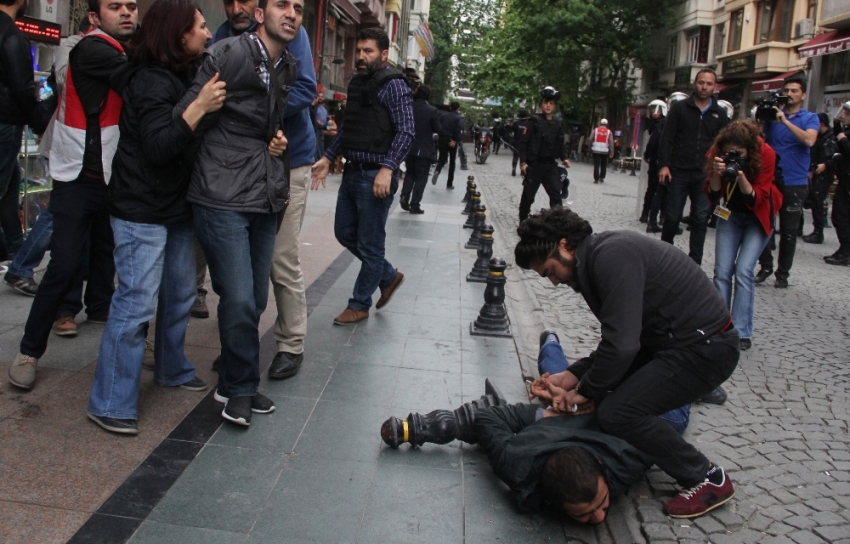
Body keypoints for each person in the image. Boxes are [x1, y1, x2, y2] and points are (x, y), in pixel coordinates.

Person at [516, 208, 739, 519]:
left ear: (565, 245)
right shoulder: (600, 257)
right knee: (614, 406)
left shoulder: (611, 256)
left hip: (706, 349)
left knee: (618, 412)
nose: (554, 281)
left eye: (551, 271)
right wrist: (573, 376)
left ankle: (706, 477)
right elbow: (621, 342)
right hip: (678, 345)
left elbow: (623, 347)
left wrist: (587, 391)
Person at [86, 0, 225, 435]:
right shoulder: (149, 79)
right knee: (136, 303)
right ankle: (109, 401)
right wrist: (199, 107)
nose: (207, 34)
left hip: (176, 207)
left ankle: (171, 367)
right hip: (140, 208)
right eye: (201, 27)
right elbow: (159, 147)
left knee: (182, 292)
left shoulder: (188, 73)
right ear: (179, 34)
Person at [175, 0, 300, 427]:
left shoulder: (288, 67)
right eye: (283, 4)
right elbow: (186, 117)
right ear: (261, 14)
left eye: (299, 7)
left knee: (256, 299)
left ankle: (232, 381)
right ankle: (241, 389)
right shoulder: (229, 53)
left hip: (263, 194)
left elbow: (268, 122)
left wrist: (276, 143)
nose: (293, 13)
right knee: (241, 298)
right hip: (221, 194)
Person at [8, 0, 138, 391]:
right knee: (64, 264)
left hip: (115, 177)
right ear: (96, 18)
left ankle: (102, 313)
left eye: (132, 5)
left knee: (116, 259)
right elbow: (137, 80)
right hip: (77, 177)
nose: (128, 12)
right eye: (116, 7)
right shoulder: (91, 49)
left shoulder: (126, 53)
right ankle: (29, 350)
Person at [310, 28, 414, 326]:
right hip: (353, 172)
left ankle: (359, 304)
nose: (360, 56)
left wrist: (388, 168)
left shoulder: (394, 85)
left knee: (370, 244)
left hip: (376, 176)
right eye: (358, 51)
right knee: (344, 232)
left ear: (383, 54)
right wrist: (328, 157)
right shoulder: (357, 82)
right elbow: (349, 127)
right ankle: (388, 275)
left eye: (367, 51)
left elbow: (407, 131)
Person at [3, 17, 90, 298]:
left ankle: (20, 257)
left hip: (76, 142)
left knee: (17, 191)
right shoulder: (72, 48)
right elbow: (45, 85)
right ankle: (22, 264)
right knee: (61, 208)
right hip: (70, 143)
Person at [267, 25, 317, 380]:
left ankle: (291, 343)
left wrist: (254, 103)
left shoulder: (291, 31)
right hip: (241, 160)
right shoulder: (224, 33)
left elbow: (304, 88)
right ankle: (237, 343)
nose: (235, 8)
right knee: (246, 258)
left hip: (291, 159)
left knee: (282, 256)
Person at [705, 121, 781, 352]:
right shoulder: (719, 152)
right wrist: (717, 173)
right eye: (730, 151)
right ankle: (720, 326)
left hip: (758, 216)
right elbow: (712, 194)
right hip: (730, 213)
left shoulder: (766, 154)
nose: (733, 155)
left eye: (739, 152)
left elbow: (758, 198)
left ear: (750, 148)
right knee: (722, 271)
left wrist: (740, 175)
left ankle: (741, 331)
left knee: (744, 270)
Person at [657, 69, 730, 266]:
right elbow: (667, 138)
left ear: (714, 87)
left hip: (704, 174)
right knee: (672, 217)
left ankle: (694, 262)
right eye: (701, 83)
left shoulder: (719, 114)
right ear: (694, 84)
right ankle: (665, 255)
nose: (704, 87)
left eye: (709, 84)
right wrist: (664, 164)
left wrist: (721, 169)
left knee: (700, 218)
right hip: (678, 170)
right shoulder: (680, 108)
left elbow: (724, 144)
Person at [753, 77, 819, 288]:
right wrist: (762, 121)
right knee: (762, 224)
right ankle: (765, 266)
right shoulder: (772, 117)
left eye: (794, 90)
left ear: (803, 95)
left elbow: (809, 140)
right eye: (787, 90)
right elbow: (758, 140)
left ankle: (783, 274)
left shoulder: (809, 118)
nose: (790, 93)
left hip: (795, 181)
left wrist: (786, 122)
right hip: (770, 178)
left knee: (789, 231)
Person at [0, 0, 32, 263]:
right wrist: (38, 117)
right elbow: (22, 86)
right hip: (5, 119)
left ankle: (15, 249)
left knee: (11, 184)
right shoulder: (12, 35)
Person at [518, 86, 570, 222]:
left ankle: (557, 223)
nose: (548, 105)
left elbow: (560, 143)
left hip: (550, 165)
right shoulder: (534, 121)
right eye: (546, 102)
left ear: (554, 106)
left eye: (551, 103)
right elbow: (523, 143)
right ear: (542, 104)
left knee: (556, 195)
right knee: (528, 196)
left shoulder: (557, 123)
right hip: (534, 165)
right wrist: (523, 162)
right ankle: (523, 221)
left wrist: (564, 158)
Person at [399, 84, 441, 214]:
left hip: (409, 146)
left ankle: (404, 196)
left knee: (410, 174)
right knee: (421, 178)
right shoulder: (432, 110)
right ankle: (415, 205)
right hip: (425, 149)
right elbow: (438, 129)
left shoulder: (409, 107)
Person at [802, 113, 838, 245]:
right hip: (815, 171)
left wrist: (826, 165)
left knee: (818, 201)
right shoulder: (819, 137)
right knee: (813, 200)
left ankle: (819, 232)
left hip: (825, 173)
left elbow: (835, 156)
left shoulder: (831, 137)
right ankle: (815, 230)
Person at [827, 102, 850, 265]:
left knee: (841, 214)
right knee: (840, 214)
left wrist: (842, 138)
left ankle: (846, 251)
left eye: (847, 114)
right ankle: (844, 248)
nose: (844, 116)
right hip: (844, 177)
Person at [641, 100, 666, 231]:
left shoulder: (659, 125)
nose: (652, 112)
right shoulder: (660, 124)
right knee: (661, 190)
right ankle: (661, 216)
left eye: (654, 110)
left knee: (654, 189)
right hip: (662, 161)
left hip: (658, 161)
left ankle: (647, 214)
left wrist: (647, 154)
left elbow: (653, 142)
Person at [431, 101, 463, 188]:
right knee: (452, 162)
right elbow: (459, 129)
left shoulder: (443, 116)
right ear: (458, 108)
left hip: (442, 139)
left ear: (450, 107)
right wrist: (455, 140)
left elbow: (438, 126)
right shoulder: (459, 118)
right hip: (452, 141)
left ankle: (437, 171)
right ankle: (449, 184)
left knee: (442, 159)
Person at [590, 119, 613, 184]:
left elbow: (590, 139)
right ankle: (601, 177)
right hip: (605, 151)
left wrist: (590, 147)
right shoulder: (609, 132)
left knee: (596, 164)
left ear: (600, 123)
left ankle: (596, 179)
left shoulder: (595, 130)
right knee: (603, 164)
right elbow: (611, 142)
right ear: (606, 124)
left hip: (596, 150)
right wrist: (612, 152)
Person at [510, 110, 530, 177]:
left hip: (516, 142)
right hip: (525, 143)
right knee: (523, 157)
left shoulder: (516, 123)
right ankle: (522, 171)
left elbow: (512, 132)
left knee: (515, 156)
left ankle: (514, 169)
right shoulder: (528, 123)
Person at [313, 93, 328, 160]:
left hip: (323, 129)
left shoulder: (325, 107)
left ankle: (321, 158)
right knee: (317, 145)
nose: (320, 98)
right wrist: (316, 121)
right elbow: (312, 116)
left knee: (322, 145)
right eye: (319, 96)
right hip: (316, 129)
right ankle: (317, 160)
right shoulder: (315, 107)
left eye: (322, 96)